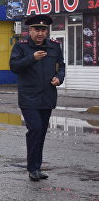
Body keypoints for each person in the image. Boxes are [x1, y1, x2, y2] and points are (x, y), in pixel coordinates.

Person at [9, 14, 65, 181]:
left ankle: (37, 167)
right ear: (30, 30)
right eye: (37, 30)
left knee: (40, 132)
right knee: (35, 129)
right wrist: (32, 58)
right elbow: (14, 67)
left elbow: (61, 66)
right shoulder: (21, 46)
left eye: (43, 30)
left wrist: (59, 78)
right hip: (29, 96)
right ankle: (33, 168)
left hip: (47, 95)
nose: (40, 33)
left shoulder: (54, 47)